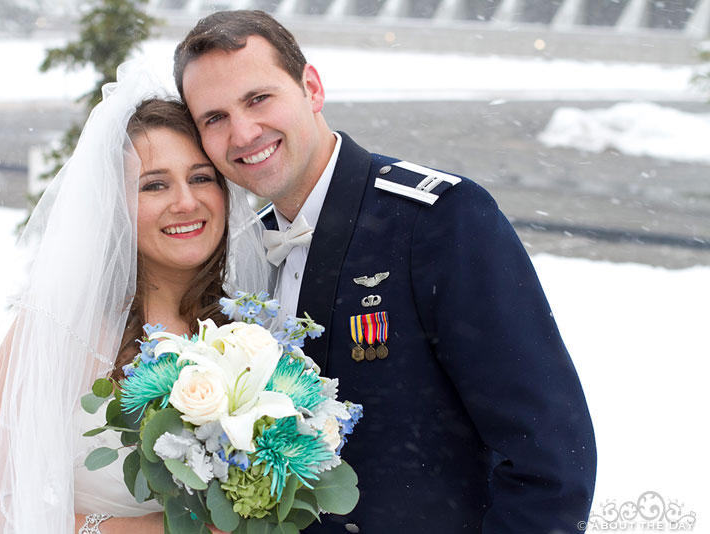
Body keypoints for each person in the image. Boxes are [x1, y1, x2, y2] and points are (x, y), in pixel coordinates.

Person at [173, 10, 597, 533]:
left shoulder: (440, 219)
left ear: (311, 88)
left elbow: (550, 459)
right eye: (214, 118)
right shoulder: (240, 252)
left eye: (258, 99)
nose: (243, 132)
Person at [0, 62, 267, 534]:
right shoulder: (58, 331)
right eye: (154, 185)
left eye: (201, 177)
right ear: (114, 206)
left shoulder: (250, 336)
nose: (186, 202)